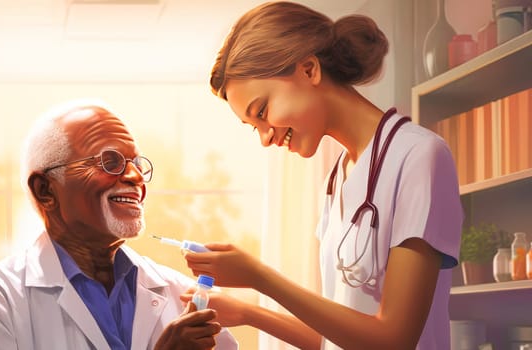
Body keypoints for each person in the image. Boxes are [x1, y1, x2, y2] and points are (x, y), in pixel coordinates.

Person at [182, 2, 463, 349]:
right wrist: (248, 313)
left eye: (263, 112)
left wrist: (258, 276)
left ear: (309, 70)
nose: (266, 137)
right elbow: (334, 338)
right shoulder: (336, 182)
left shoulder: (419, 156)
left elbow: (393, 340)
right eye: (253, 127)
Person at [0, 100, 238, 350]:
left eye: (136, 164)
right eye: (111, 161)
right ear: (46, 190)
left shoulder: (181, 294)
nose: (135, 178)